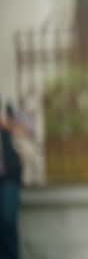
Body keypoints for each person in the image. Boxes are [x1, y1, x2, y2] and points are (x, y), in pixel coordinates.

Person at [0, 98, 23, 259]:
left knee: (8, 220)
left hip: (9, 177)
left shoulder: (9, 110)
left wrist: (7, 124)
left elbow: (28, 131)